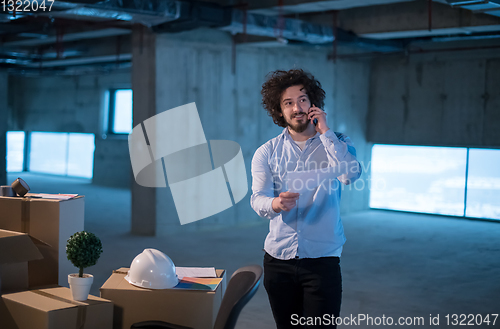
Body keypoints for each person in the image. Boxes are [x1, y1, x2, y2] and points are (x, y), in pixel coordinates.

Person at [250, 69, 362, 329]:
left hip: (322, 259)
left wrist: (326, 133)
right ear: (279, 111)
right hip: (278, 260)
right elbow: (258, 199)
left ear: (313, 104)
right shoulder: (266, 152)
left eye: (302, 100)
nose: (296, 108)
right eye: (288, 103)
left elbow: (350, 175)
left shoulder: (339, 143)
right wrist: (275, 204)